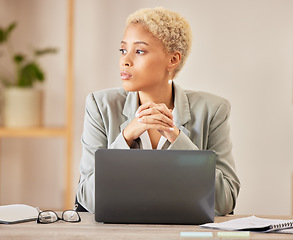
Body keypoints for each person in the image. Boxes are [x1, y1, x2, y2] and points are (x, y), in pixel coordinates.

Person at [77, 7, 240, 216]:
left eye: (140, 51)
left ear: (173, 60)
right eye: (123, 50)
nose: (125, 60)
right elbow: (88, 200)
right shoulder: (100, 106)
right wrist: (126, 136)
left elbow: (224, 201)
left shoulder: (213, 110)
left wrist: (177, 138)